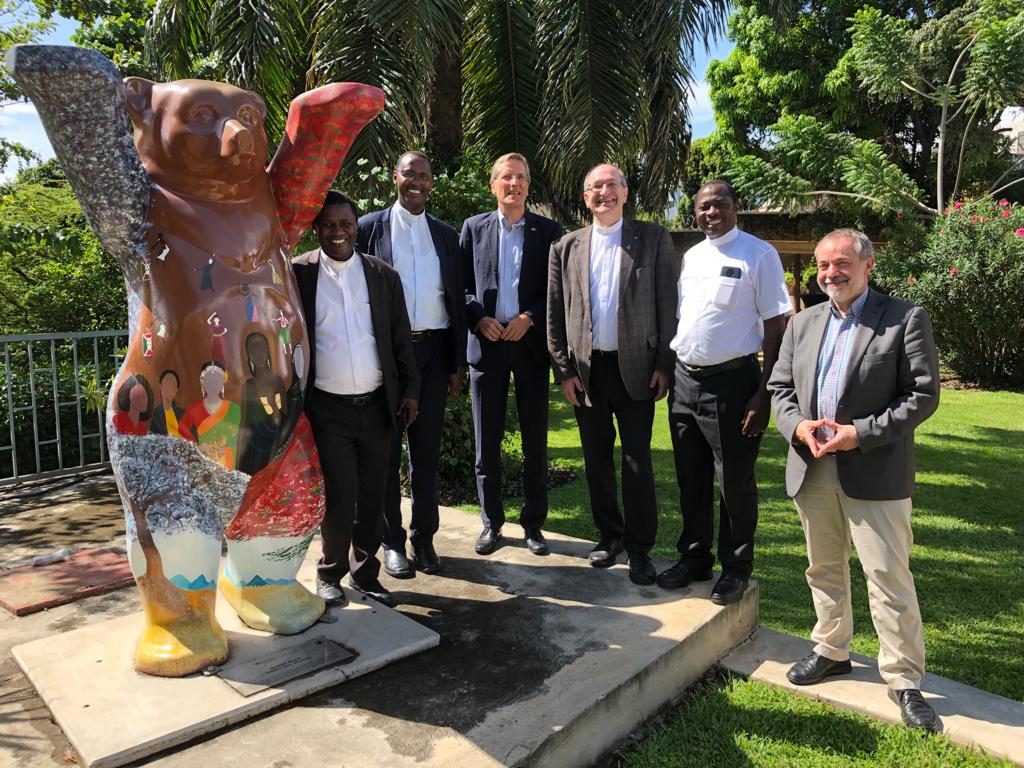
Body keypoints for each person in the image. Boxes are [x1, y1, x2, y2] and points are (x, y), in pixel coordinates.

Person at [769, 228, 941, 731]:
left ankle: (905, 680)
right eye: (823, 266)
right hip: (813, 465)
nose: (830, 274)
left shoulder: (905, 318)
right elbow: (780, 388)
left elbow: (922, 395)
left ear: (867, 265)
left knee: (888, 577)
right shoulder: (801, 324)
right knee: (823, 568)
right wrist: (797, 425)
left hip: (875, 469)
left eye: (841, 264)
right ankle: (831, 649)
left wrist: (857, 434)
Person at [659, 180, 791, 605]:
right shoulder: (693, 257)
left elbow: (776, 326)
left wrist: (765, 393)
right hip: (685, 382)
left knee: (733, 480)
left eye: (718, 205)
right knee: (690, 478)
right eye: (702, 207)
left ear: (736, 206)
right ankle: (695, 557)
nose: (709, 213)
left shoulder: (759, 254)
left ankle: (736, 567)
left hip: (733, 384)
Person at [547, 163, 676, 584]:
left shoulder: (652, 238)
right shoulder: (565, 247)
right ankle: (610, 535)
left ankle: (640, 548)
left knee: (638, 460)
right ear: (585, 198)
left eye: (611, 185)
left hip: (637, 369)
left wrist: (663, 365)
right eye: (595, 187)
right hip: (587, 372)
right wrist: (563, 370)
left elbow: (667, 305)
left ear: (624, 192)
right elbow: (554, 315)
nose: (604, 193)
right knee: (597, 459)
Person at [293, 191, 420, 608]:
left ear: (356, 226)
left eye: (345, 224)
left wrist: (411, 393)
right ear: (317, 229)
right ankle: (330, 573)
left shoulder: (382, 275)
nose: (338, 232)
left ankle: (367, 573)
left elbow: (402, 340)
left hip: (378, 407)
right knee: (340, 494)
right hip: (328, 408)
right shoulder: (299, 275)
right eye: (328, 225)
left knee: (373, 495)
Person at [356, 151, 465, 578]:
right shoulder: (368, 229)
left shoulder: (445, 235)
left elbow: (454, 300)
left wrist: (456, 363)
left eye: (424, 175)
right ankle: (392, 543)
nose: (417, 182)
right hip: (387, 358)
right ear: (393, 177)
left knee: (426, 453)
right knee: (384, 455)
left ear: (432, 182)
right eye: (409, 174)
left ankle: (425, 539)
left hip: (434, 355)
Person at [461, 153, 564, 556]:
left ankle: (534, 525)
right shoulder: (473, 229)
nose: (514, 184)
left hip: (529, 348)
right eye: (506, 177)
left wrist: (530, 317)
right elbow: (461, 286)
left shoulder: (549, 231)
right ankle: (491, 524)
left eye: (521, 177)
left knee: (535, 441)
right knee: (486, 443)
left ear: (527, 186)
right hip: (486, 349)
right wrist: (478, 318)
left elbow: (557, 289)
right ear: (494, 185)